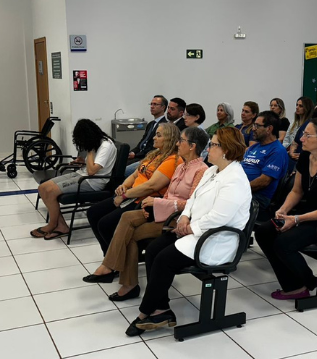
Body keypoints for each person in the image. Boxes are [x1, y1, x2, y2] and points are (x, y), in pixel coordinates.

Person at [125, 127, 251, 336]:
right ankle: (161, 308)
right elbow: (192, 199)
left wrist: (190, 227)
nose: (208, 149)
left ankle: (145, 312)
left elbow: (220, 218)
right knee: (154, 249)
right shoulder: (212, 170)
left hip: (215, 240)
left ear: (227, 150)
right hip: (195, 230)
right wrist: (184, 217)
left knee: (164, 259)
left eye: (213, 145)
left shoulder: (235, 180)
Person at [82, 127, 209, 302]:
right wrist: (154, 205)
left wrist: (157, 203)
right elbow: (167, 192)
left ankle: (119, 275)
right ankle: (117, 273)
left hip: (176, 218)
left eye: (182, 141)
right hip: (162, 209)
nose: (178, 143)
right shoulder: (181, 166)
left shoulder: (200, 170)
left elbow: (192, 204)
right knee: (125, 220)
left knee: (129, 232)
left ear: (193, 146)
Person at [254, 117, 317, 300]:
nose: (301, 139)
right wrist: (283, 210)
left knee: (283, 243)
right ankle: (295, 284)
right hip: (308, 215)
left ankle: (308, 282)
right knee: (265, 232)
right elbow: (297, 191)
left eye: (307, 135)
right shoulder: (306, 156)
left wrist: (297, 219)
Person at [87, 123, 181, 255]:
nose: (154, 138)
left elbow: (151, 186)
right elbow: (136, 174)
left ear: (170, 139)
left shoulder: (173, 160)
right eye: (155, 134)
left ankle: (115, 259)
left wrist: (125, 195)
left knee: (105, 224)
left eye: (159, 135)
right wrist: (124, 186)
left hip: (143, 201)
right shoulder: (154, 155)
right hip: (132, 195)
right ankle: (109, 255)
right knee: (93, 212)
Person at [31, 120, 117, 239]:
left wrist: (90, 150)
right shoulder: (97, 142)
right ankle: (61, 226)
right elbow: (91, 165)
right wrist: (83, 161)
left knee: (51, 191)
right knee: (42, 188)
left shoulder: (105, 145)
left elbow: (92, 172)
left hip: (92, 182)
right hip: (81, 174)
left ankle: (52, 225)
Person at [242, 111, 289, 209]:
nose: (253, 129)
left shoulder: (277, 151)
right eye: (254, 125)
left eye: (257, 126)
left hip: (257, 198)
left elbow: (264, 181)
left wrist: (239, 189)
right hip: (242, 192)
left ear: (269, 129)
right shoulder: (253, 147)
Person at [124, 95, 168, 177]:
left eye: (155, 104)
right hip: (139, 155)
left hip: (147, 157)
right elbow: (142, 142)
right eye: (151, 104)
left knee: (124, 170)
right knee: (118, 164)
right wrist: (133, 152)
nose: (152, 107)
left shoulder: (164, 126)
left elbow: (154, 148)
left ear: (163, 107)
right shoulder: (151, 124)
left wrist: (136, 155)